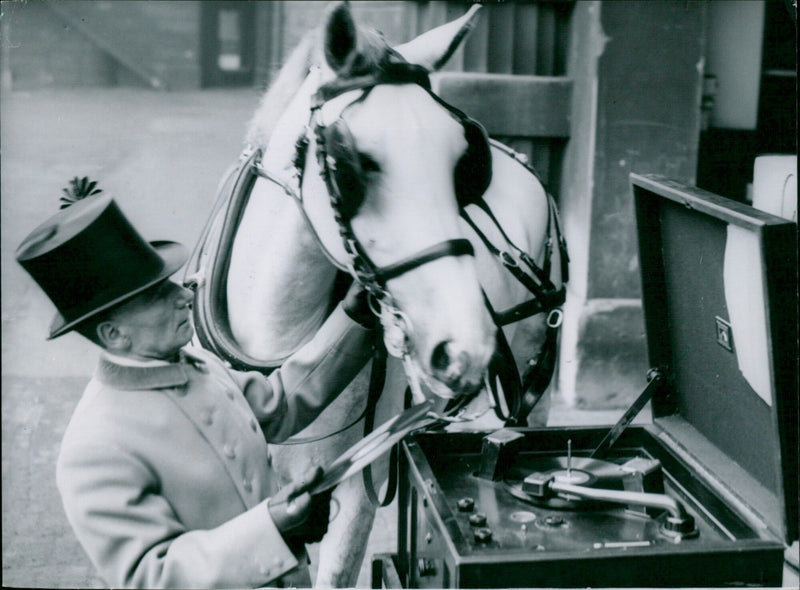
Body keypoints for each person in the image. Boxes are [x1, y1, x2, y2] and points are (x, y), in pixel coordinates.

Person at [15, 189, 377, 588]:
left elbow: (279, 405)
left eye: (171, 282)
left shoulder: (194, 362)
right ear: (114, 334)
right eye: (157, 295)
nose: (185, 295)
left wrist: (352, 317)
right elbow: (150, 576)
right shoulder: (94, 448)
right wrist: (272, 526)